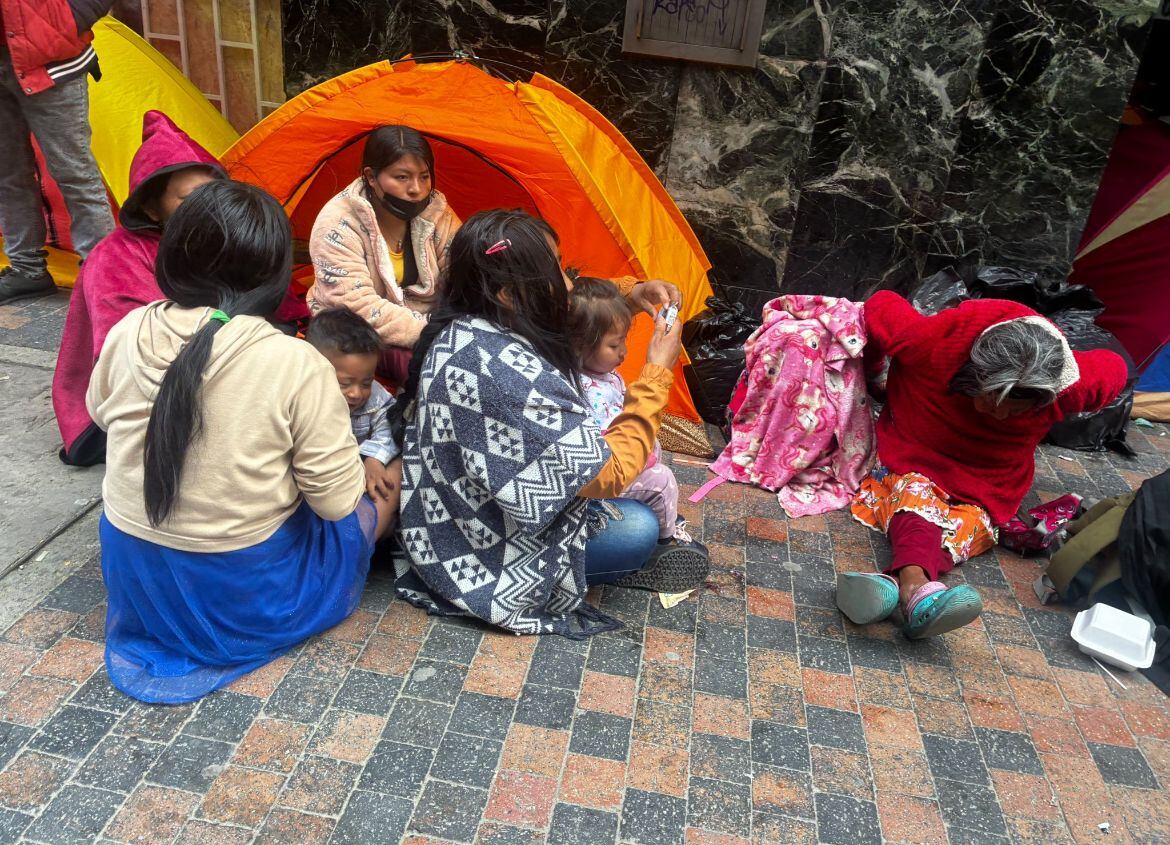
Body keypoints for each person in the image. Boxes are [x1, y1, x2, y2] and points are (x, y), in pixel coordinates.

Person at [87, 180, 395, 703]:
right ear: (273, 272)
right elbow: (336, 501)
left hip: (136, 573)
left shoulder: (129, 327)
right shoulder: (294, 361)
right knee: (392, 480)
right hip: (236, 591)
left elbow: (100, 413)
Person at [393, 209, 709, 638]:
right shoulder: (507, 373)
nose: (566, 283)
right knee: (638, 527)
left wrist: (630, 298)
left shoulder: (473, 323)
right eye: (555, 270)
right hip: (479, 551)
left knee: (634, 508)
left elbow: (570, 319)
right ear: (507, 293)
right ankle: (620, 567)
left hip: (441, 528)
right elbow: (606, 475)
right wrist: (656, 374)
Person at [836, 291, 1128, 639]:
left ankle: (897, 586)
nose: (1000, 414)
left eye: (1015, 408)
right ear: (971, 375)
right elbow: (880, 303)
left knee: (972, 522)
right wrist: (872, 374)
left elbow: (1116, 368)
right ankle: (915, 588)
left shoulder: (1073, 385)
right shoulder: (929, 342)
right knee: (915, 498)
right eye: (990, 400)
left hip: (989, 486)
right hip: (915, 459)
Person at [54, 110, 224, 466]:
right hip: (137, 391)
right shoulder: (115, 257)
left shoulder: (220, 237)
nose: (208, 208)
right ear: (151, 208)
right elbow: (129, 355)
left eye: (214, 194)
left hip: (210, 367)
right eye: (189, 198)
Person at [308, 125, 461, 384]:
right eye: (402, 177)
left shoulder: (437, 213)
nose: (416, 189)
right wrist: (437, 331)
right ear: (371, 176)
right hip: (355, 331)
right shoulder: (337, 223)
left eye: (424, 177)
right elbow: (358, 306)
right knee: (434, 373)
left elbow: (462, 272)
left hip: (430, 324)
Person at [569, 276, 702, 553]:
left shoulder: (599, 373)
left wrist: (633, 294)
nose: (624, 352)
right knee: (662, 480)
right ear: (580, 345)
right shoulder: (585, 391)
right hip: (599, 481)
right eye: (614, 346)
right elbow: (609, 459)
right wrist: (657, 372)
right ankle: (666, 544)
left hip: (616, 467)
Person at [0, 0, 116, 304]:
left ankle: (101, 274)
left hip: (52, 60)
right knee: (7, 174)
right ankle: (27, 270)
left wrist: (67, 20)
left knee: (74, 173)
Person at [306, 308, 402, 507]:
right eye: (344, 383)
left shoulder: (376, 399)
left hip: (361, 475)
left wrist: (373, 458)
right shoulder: (303, 399)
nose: (356, 393)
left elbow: (389, 425)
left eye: (366, 382)